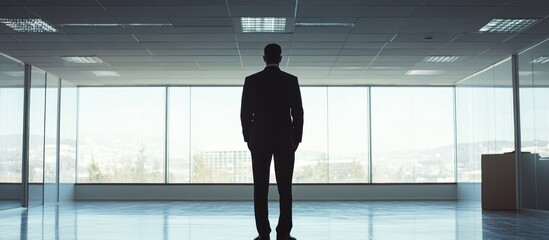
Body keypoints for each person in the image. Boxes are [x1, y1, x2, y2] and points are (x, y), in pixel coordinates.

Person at [240, 43, 304, 240]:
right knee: (285, 188)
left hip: (259, 140)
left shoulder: (251, 81)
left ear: (264, 58)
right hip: (285, 140)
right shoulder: (290, 81)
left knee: (260, 188)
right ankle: (284, 232)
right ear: (280, 58)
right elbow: (298, 112)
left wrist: (249, 138)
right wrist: (296, 138)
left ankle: (263, 233)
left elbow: (244, 113)